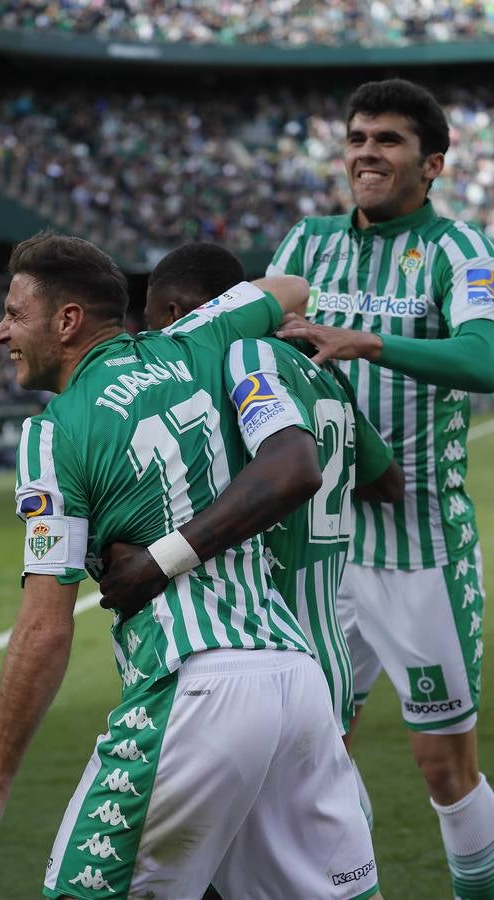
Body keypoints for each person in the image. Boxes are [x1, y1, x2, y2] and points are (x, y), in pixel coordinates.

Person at [0, 232, 382, 900]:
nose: (0, 332)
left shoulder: (52, 433)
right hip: (297, 682)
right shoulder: (195, 340)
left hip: (195, 684)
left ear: (68, 322)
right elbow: (291, 288)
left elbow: (44, 627)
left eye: (13, 313)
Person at [269, 78, 494, 898]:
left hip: (421, 554)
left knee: (443, 767)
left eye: (390, 140)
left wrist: (371, 342)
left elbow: (485, 360)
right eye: (358, 137)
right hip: (324, 552)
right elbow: (257, 329)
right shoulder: (307, 243)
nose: (368, 152)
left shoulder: (457, 252)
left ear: (433, 162)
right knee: (308, 751)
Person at [108, 241, 404, 744]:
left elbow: (291, 472)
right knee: (327, 810)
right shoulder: (320, 369)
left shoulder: (244, 359)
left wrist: (160, 559)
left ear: (179, 314)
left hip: (267, 652)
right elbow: (387, 483)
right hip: (330, 650)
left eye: (155, 320)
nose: (152, 337)